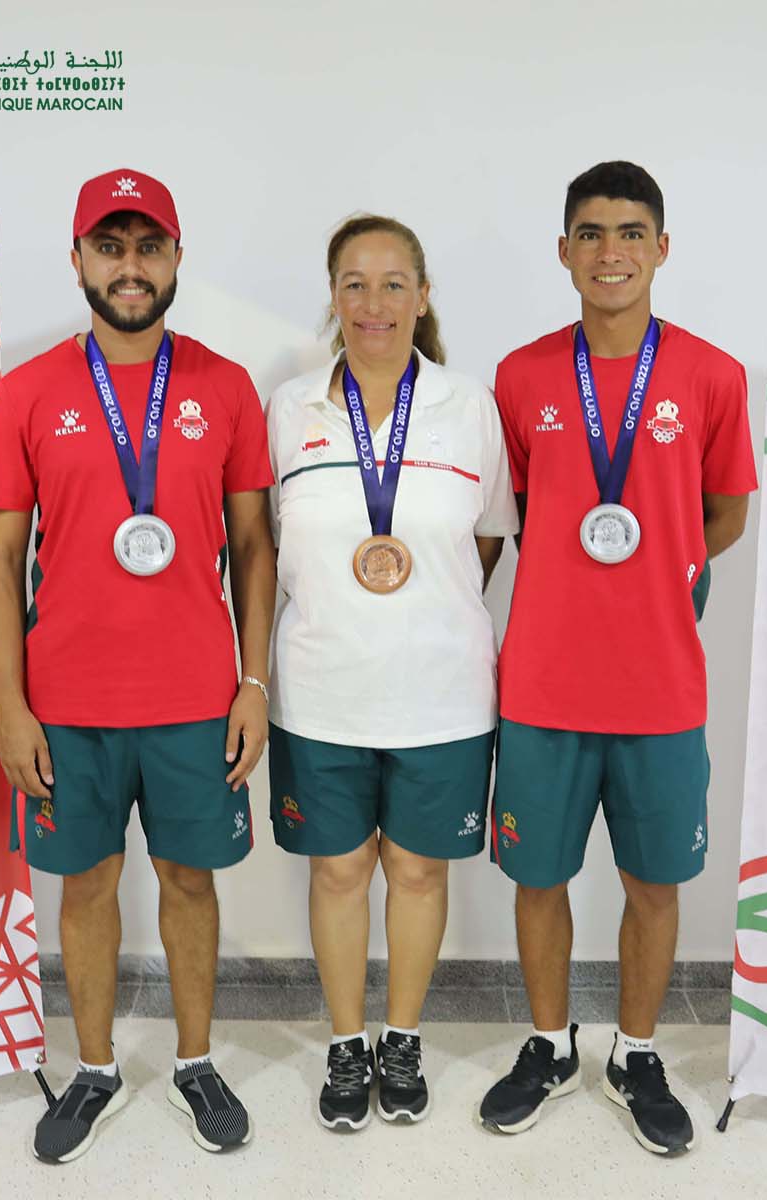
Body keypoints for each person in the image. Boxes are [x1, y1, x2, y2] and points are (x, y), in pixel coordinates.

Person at [0, 168, 277, 1162]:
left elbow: (253, 546)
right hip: (67, 707)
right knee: (87, 888)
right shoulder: (26, 392)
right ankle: (96, 1067)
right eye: (110, 247)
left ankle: (194, 1060)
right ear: (77, 262)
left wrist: (253, 683)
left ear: (176, 259)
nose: (130, 266)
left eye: (148, 246)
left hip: (195, 703)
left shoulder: (224, 386)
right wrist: (11, 707)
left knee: (190, 885)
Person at [479, 162, 756, 1154]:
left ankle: (635, 1052)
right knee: (537, 878)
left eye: (630, 233)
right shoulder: (517, 376)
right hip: (544, 683)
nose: (610, 252)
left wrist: (658, 566)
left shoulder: (712, 375)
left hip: (660, 687)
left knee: (652, 882)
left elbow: (720, 513)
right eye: (590, 233)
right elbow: (507, 514)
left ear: (661, 249)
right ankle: (550, 1045)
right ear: (562, 251)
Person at [265, 215, 517, 1129]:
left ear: (423, 294)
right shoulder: (291, 408)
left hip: (441, 692)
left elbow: (484, 540)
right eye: (355, 284)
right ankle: (345, 1043)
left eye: (393, 283)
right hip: (320, 689)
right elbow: (267, 545)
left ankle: (399, 1037)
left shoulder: (468, 406)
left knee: (416, 871)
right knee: (337, 873)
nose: (374, 304)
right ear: (333, 297)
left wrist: (420, 608)